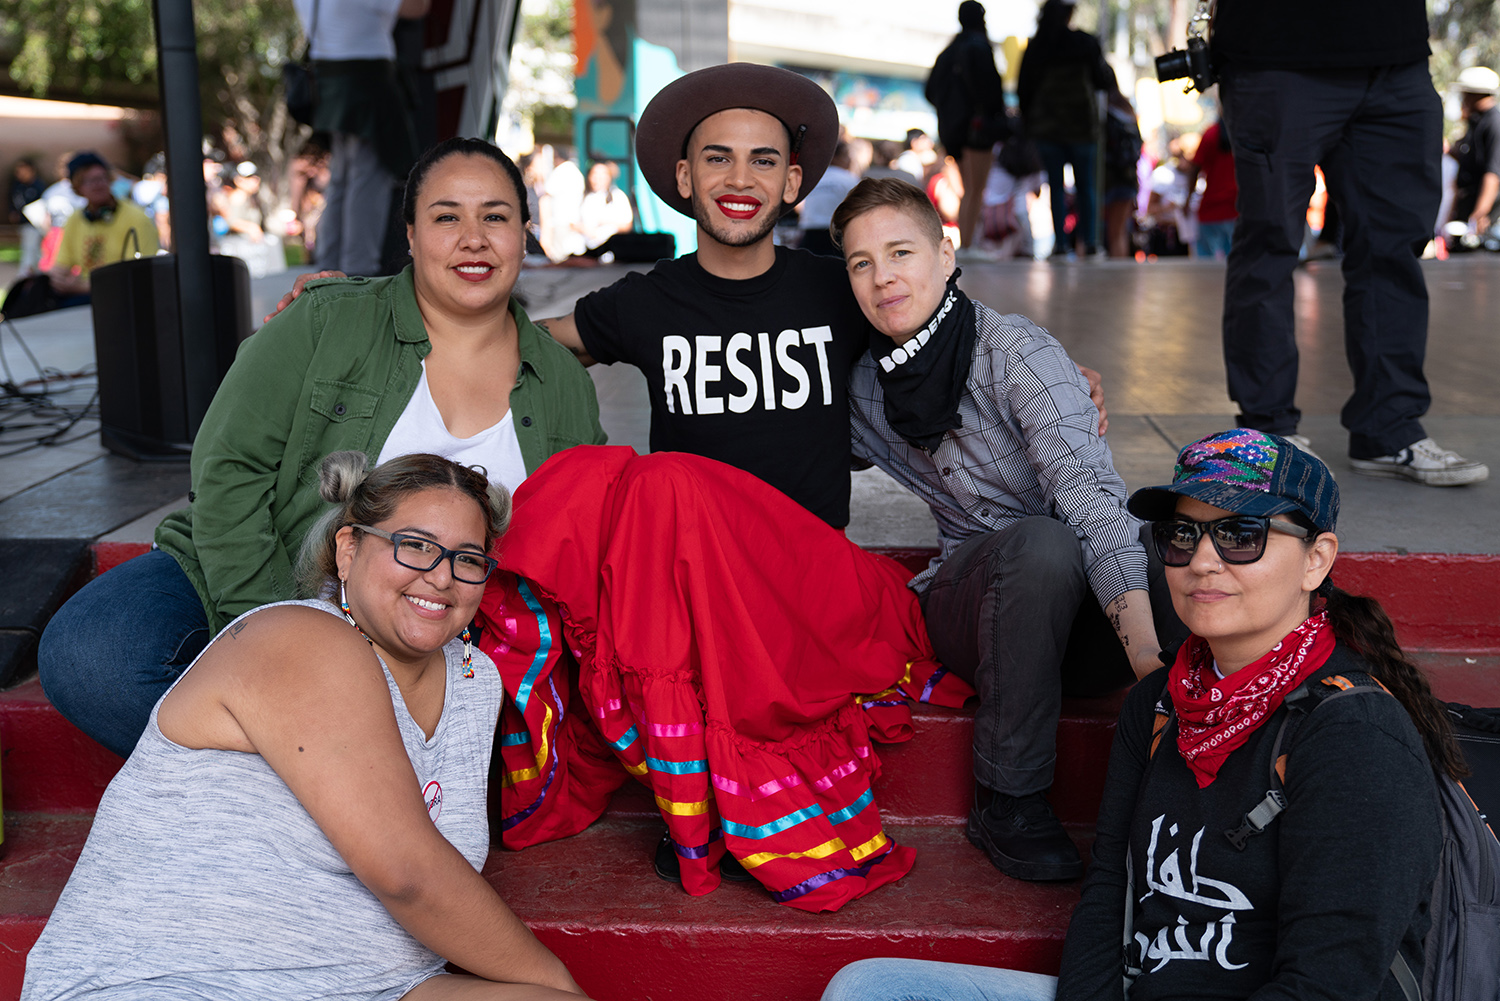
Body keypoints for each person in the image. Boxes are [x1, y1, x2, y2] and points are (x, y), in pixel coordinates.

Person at [821, 428, 1456, 1001]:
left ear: (1316, 559)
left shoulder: (1355, 736)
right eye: (1183, 535)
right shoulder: (1160, 703)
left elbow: (1332, 983)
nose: (1203, 561)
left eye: (1241, 535)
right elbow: (1107, 895)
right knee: (871, 988)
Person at [37, 137, 606, 759]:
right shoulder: (325, 320)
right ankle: (355, 784)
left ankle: (333, 781)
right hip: (261, 574)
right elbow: (229, 469)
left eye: (495, 217)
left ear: (526, 232)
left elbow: (574, 542)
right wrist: (273, 631)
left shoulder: (563, 384)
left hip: (433, 628)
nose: (473, 238)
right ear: (411, 236)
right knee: (92, 658)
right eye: (446, 217)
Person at [22, 451, 587, 1001]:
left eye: (467, 559)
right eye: (414, 546)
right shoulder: (298, 640)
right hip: (175, 982)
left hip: (373, 986)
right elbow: (408, 874)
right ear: (348, 549)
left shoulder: (473, 679)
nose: (441, 577)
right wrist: (559, 983)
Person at [830, 177, 1173, 882]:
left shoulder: (1015, 353)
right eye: (862, 263)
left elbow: (1090, 500)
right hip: (976, 607)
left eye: (901, 251)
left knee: (1159, 537)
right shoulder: (862, 386)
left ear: (947, 254)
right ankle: (1008, 797)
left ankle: (1211, 738)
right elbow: (789, 447)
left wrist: (1150, 673)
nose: (883, 276)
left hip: (1084, 619)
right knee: (1038, 549)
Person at [532, 62, 864, 530]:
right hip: (694, 569)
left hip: (813, 573)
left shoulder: (841, 290)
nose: (740, 180)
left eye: (763, 161)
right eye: (718, 158)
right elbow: (527, 348)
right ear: (685, 177)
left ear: (791, 182)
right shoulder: (647, 301)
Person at [1214, 0, 1488, 484]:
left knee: (1394, 250)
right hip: (1278, 48)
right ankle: (1268, 430)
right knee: (1271, 242)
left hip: (1394, 54)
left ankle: (1389, 429)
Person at [295, 0, 427, 275]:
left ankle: (327, 273)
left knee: (341, 183)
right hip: (368, 83)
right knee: (365, 184)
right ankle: (358, 278)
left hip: (330, 82)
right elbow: (418, 7)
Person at [1018, 0, 1110, 259]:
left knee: (1055, 186)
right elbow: (1102, 79)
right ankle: (1090, 243)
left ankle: (1060, 245)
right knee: (1086, 186)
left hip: (1047, 128)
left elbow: (1024, 89)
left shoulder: (1037, 46)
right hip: (1082, 126)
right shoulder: (1085, 42)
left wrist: (1029, 123)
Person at [925, 0, 1008, 258]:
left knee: (967, 189)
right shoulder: (979, 47)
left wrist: (951, 112)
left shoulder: (948, 52)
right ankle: (970, 244)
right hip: (977, 129)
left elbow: (929, 91)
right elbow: (992, 92)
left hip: (953, 131)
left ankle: (969, 242)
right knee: (975, 188)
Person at [46, 152, 159, 304]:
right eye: (88, 181)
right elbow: (62, 264)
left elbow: (137, 278)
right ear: (77, 188)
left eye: (101, 178)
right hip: (88, 302)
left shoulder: (137, 218)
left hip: (123, 300)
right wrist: (54, 279)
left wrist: (81, 287)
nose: (98, 185)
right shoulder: (75, 220)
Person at [1448, 65, 1500, 241]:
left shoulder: (1494, 124)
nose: (1463, 97)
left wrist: (1479, 214)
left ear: (1477, 94)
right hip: (1466, 207)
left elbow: (1493, 174)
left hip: (1482, 218)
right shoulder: (1475, 122)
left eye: (1466, 93)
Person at [1101, 74, 1143, 259]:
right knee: (1119, 234)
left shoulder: (1103, 111)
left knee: (1090, 234)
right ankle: (1121, 280)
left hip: (1107, 179)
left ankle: (1085, 282)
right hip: (1127, 178)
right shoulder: (1127, 110)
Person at [798, 140, 861, 255]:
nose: (849, 160)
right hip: (837, 236)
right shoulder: (850, 179)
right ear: (835, 157)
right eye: (846, 155)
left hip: (810, 235)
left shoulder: (814, 178)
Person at [1185, 119, 1237, 260]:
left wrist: (1187, 199)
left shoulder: (1211, 134)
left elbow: (1194, 169)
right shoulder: (1245, 135)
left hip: (1211, 209)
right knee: (1235, 259)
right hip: (1236, 209)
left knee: (1206, 263)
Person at [577, 160, 634, 251]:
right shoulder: (582, 197)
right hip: (584, 250)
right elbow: (572, 222)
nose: (598, 178)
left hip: (611, 250)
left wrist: (607, 222)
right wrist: (585, 230)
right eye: (595, 174)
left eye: (603, 175)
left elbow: (627, 225)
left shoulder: (618, 196)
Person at [7, 157, 45, 276]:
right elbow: (13, 202)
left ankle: (26, 275)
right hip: (23, 224)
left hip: (35, 224)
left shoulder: (38, 186)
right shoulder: (18, 186)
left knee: (33, 250)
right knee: (30, 248)